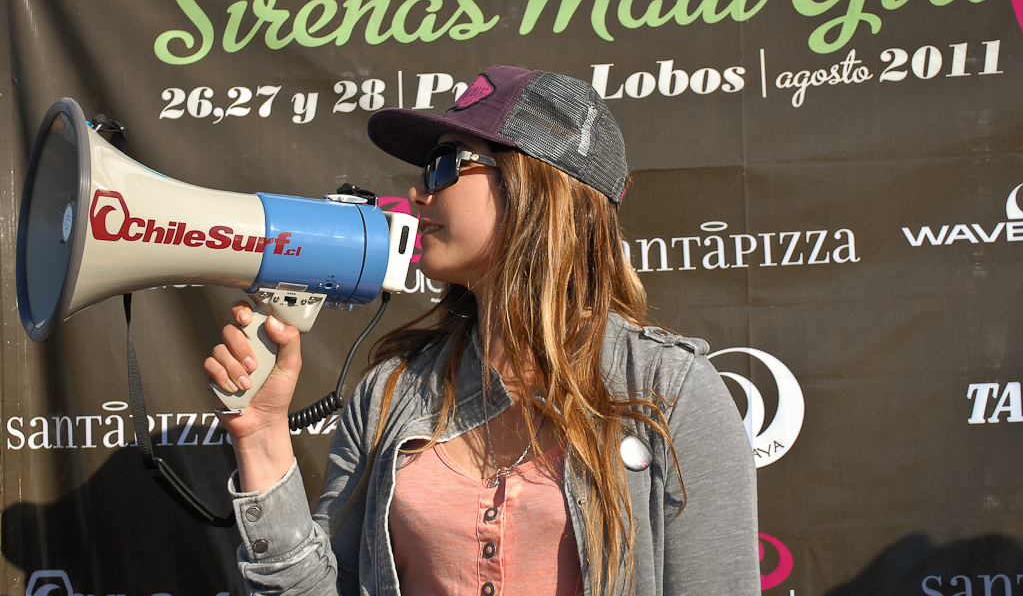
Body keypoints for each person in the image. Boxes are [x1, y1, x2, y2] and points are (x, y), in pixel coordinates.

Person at [204, 65, 759, 595]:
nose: (418, 193)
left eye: (444, 164)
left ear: (535, 186)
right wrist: (262, 436)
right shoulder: (389, 396)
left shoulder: (671, 393)